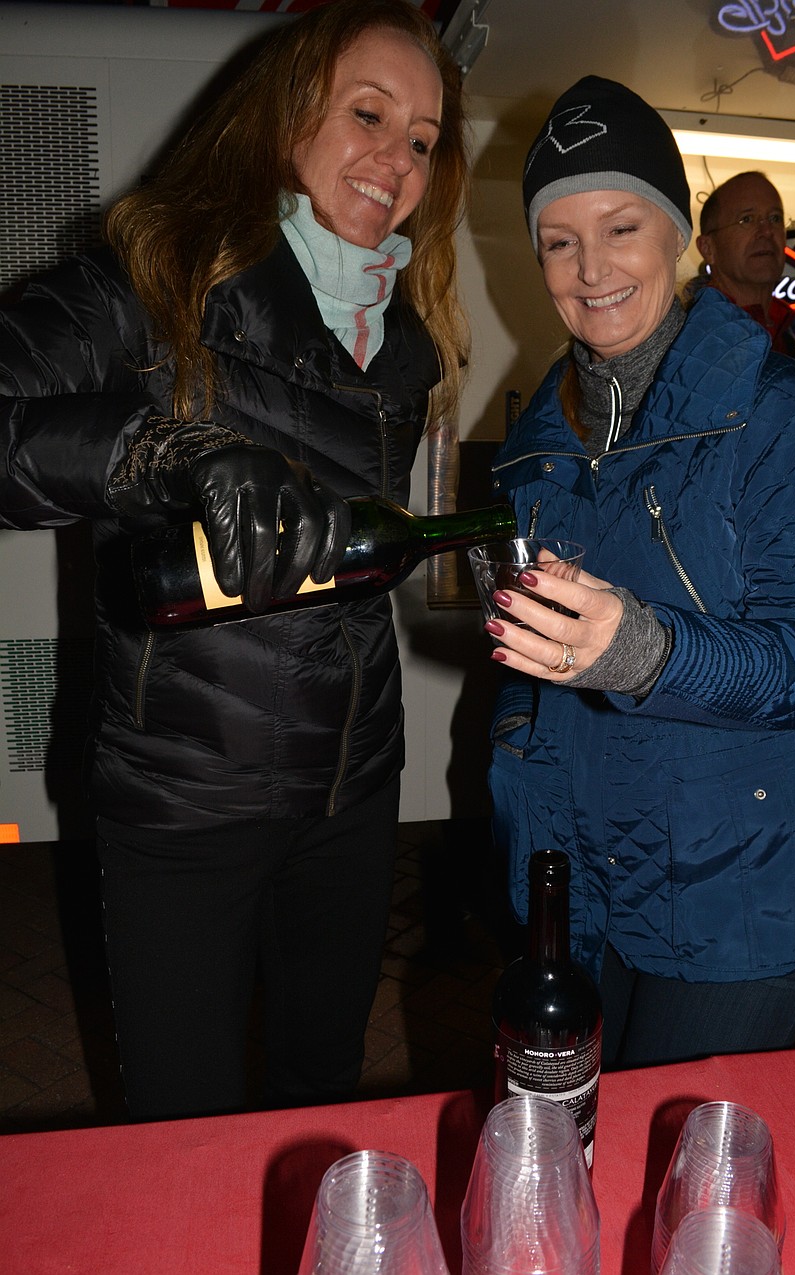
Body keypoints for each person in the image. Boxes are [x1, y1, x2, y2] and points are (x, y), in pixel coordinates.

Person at [0, 0, 469, 1119]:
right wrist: (161, 448)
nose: (396, 160)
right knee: (185, 1118)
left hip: (350, 796)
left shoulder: (404, 339)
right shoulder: (151, 272)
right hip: (184, 799)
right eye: (368, 114)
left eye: (421, 139)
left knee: (321, 1087)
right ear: (283, 116)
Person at [484, 76, 795, 1070]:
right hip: (587, 882)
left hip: (746, 892)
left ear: (678, 233)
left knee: (681, 1167)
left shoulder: (781, 417)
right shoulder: (535, 444)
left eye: (620, 227)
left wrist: (642, 651)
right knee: (578, 1141)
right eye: (559, 241)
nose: (590, 268)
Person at [690, 170, 795, 372]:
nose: (767, 231)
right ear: (708, 248)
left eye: (775, 218)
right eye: (747, 219)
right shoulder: (685, 334)